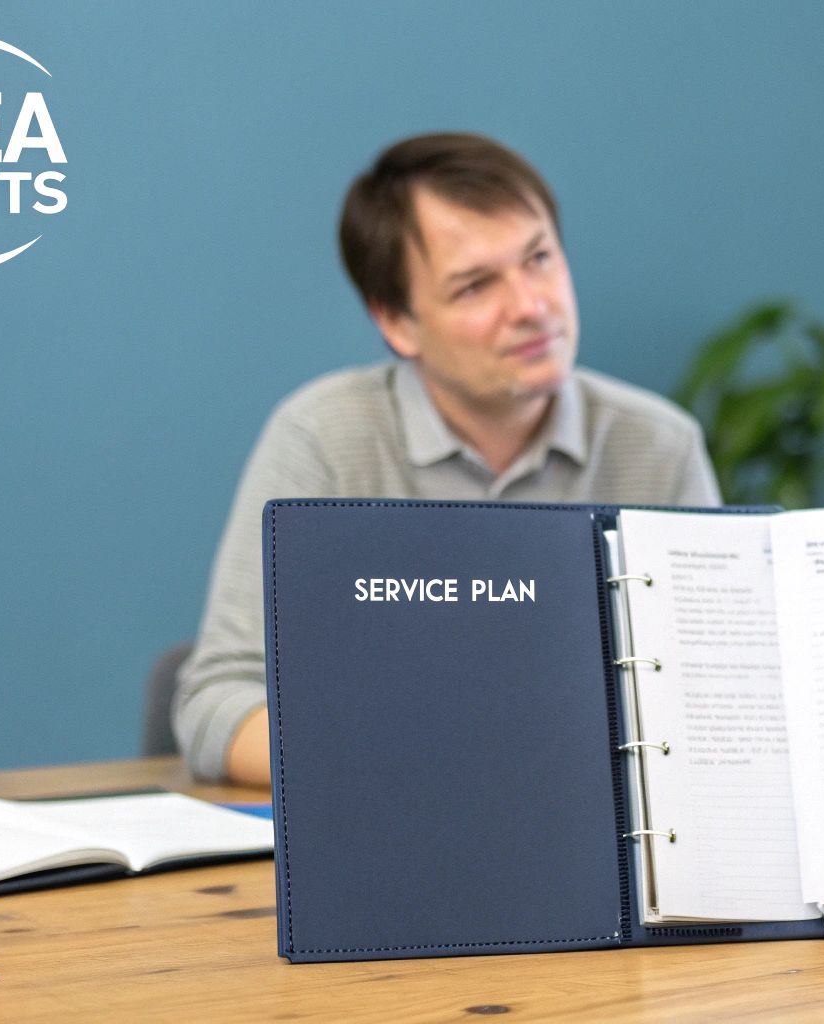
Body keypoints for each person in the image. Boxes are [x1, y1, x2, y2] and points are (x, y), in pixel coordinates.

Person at [173, 133, 720, 785]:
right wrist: (419, 764)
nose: (532, 305)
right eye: (475, 287)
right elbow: (215, 704)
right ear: (397, 321)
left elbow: (714, 696)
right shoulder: (322, 439)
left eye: (539, 258)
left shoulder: (661, 445)